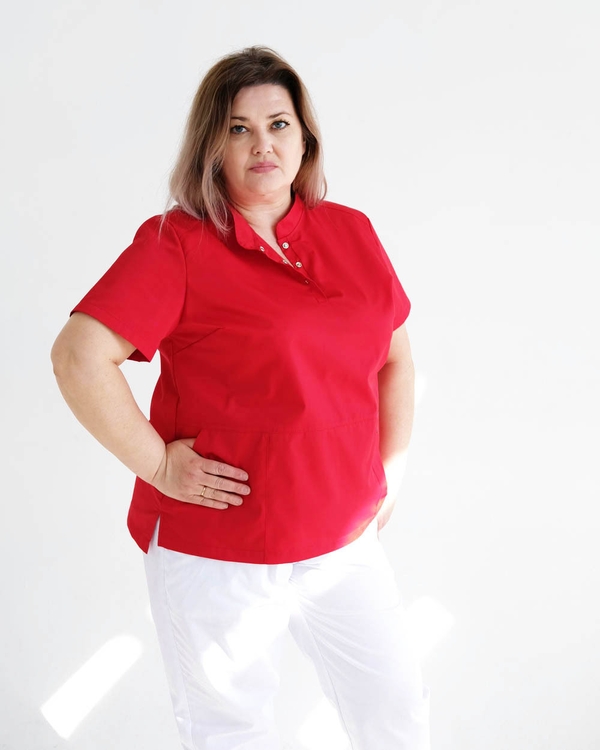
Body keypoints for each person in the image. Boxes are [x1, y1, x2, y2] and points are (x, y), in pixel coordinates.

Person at [51, 45, 429, 750]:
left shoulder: (350, 231)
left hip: (343, 540)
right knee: (232, 734)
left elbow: (396, 358)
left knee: (395, 713)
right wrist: (158, 466)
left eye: (279, 124)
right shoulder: (177, 245)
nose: (263, 144)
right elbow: (78, 356)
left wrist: (390, 475)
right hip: (218, 549)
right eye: (238, 128)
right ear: (211, 146)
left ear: (304, 138)